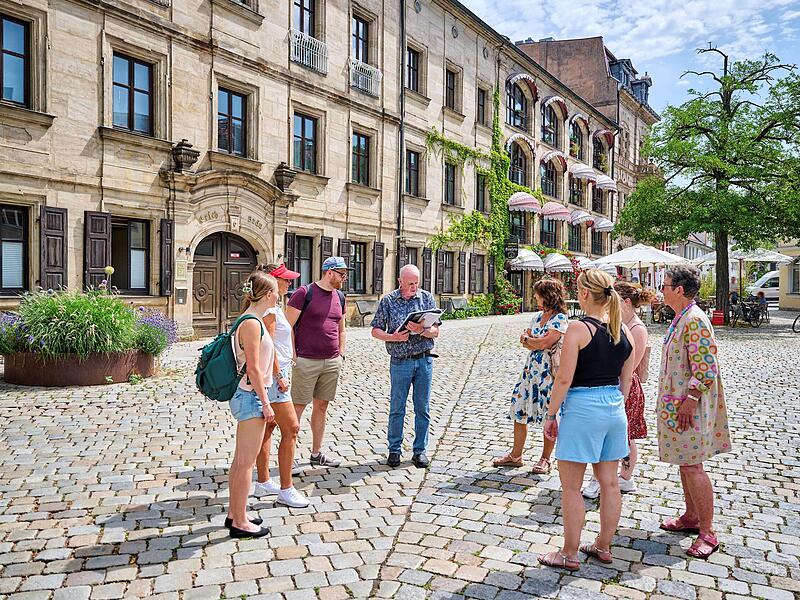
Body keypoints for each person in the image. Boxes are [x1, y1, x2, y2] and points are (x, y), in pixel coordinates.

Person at [538, 269, 637, 571]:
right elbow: (627, 382)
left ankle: (569, 553)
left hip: (583, 408)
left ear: (583, 294)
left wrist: (551, 414)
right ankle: (603, 546)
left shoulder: (578, 330)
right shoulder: (626, 331)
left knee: (571, 487)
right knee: (609, 484)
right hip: (613, 408)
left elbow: (564, 379)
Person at [657, 264, 731, 559]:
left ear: (678, 290)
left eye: (665, 285)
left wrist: (690, 398)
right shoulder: (681, 317)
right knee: (684, 461)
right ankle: (691, 516)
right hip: (679, 403)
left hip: (690, 405)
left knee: (692, 464)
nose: (661, 289)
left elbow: (706, 368)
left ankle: (708, 532)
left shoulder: (695, 320)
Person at [583, 282, 654, 498]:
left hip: (626, 386)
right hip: (612, 383)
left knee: (626, 435)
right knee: (612, 434)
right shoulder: (619, 323)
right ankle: (609, 477)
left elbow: (630, 365)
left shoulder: (637, 328)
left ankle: (623, 477)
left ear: (626, 302)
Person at [494, 278, 569, 474]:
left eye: (537, 293)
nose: (534, 296)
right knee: (519, 410)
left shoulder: (560, 319)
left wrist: (532, 340)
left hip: (548, 373)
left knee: (548, 415)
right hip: (530, 372)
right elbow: (527, 339)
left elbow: (545, 342)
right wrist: (533, 340)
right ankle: (516, 455)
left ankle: (545, 458)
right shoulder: (537, 317)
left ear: (547, 295)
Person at [370, 264, 440, 468]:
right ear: (400, 281)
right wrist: (393, 337)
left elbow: (436, 331)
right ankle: (394, 450)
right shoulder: (389, 301)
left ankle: (420, 451)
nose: (414, 287)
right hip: (400, 362)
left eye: (416, 283)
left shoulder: (426, 298)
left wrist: (423, 330)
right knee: (397, 408)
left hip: (424, 359)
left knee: (422, 408)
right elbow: (375, 330)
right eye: (410, 283)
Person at [226, 271, 279, 538]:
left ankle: (235, 513)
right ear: (268, 294)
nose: (279, 294)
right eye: (276, 290)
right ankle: (240, 522)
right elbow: (255, 370)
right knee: (246, 463)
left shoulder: (252, 320)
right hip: (250, 396)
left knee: (240, 461)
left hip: (247, 394)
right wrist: (266, 403)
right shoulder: (252, 324)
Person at [251, 263, 309, 508]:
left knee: (269, 427)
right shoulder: (271, 311)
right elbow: (270, 345)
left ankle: (263, 481)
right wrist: (279, 374)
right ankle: (286, 489)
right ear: (272, 282)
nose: (289, 284)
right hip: (275, 375)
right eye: (285, 280)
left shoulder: (273, 307)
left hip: (278, 371)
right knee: (292, 428)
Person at [284, 256, 348, 468]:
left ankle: (316, 453)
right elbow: (286, 327)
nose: (344, 277)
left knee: (321, 407)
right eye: (341, 273)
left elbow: (341, 329)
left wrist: (341, 353)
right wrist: (293, 355)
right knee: (297, 408)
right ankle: (288, 458)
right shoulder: (305, 293)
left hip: (331, 362)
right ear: (329, 272)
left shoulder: (340, 296)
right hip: (306, 361)